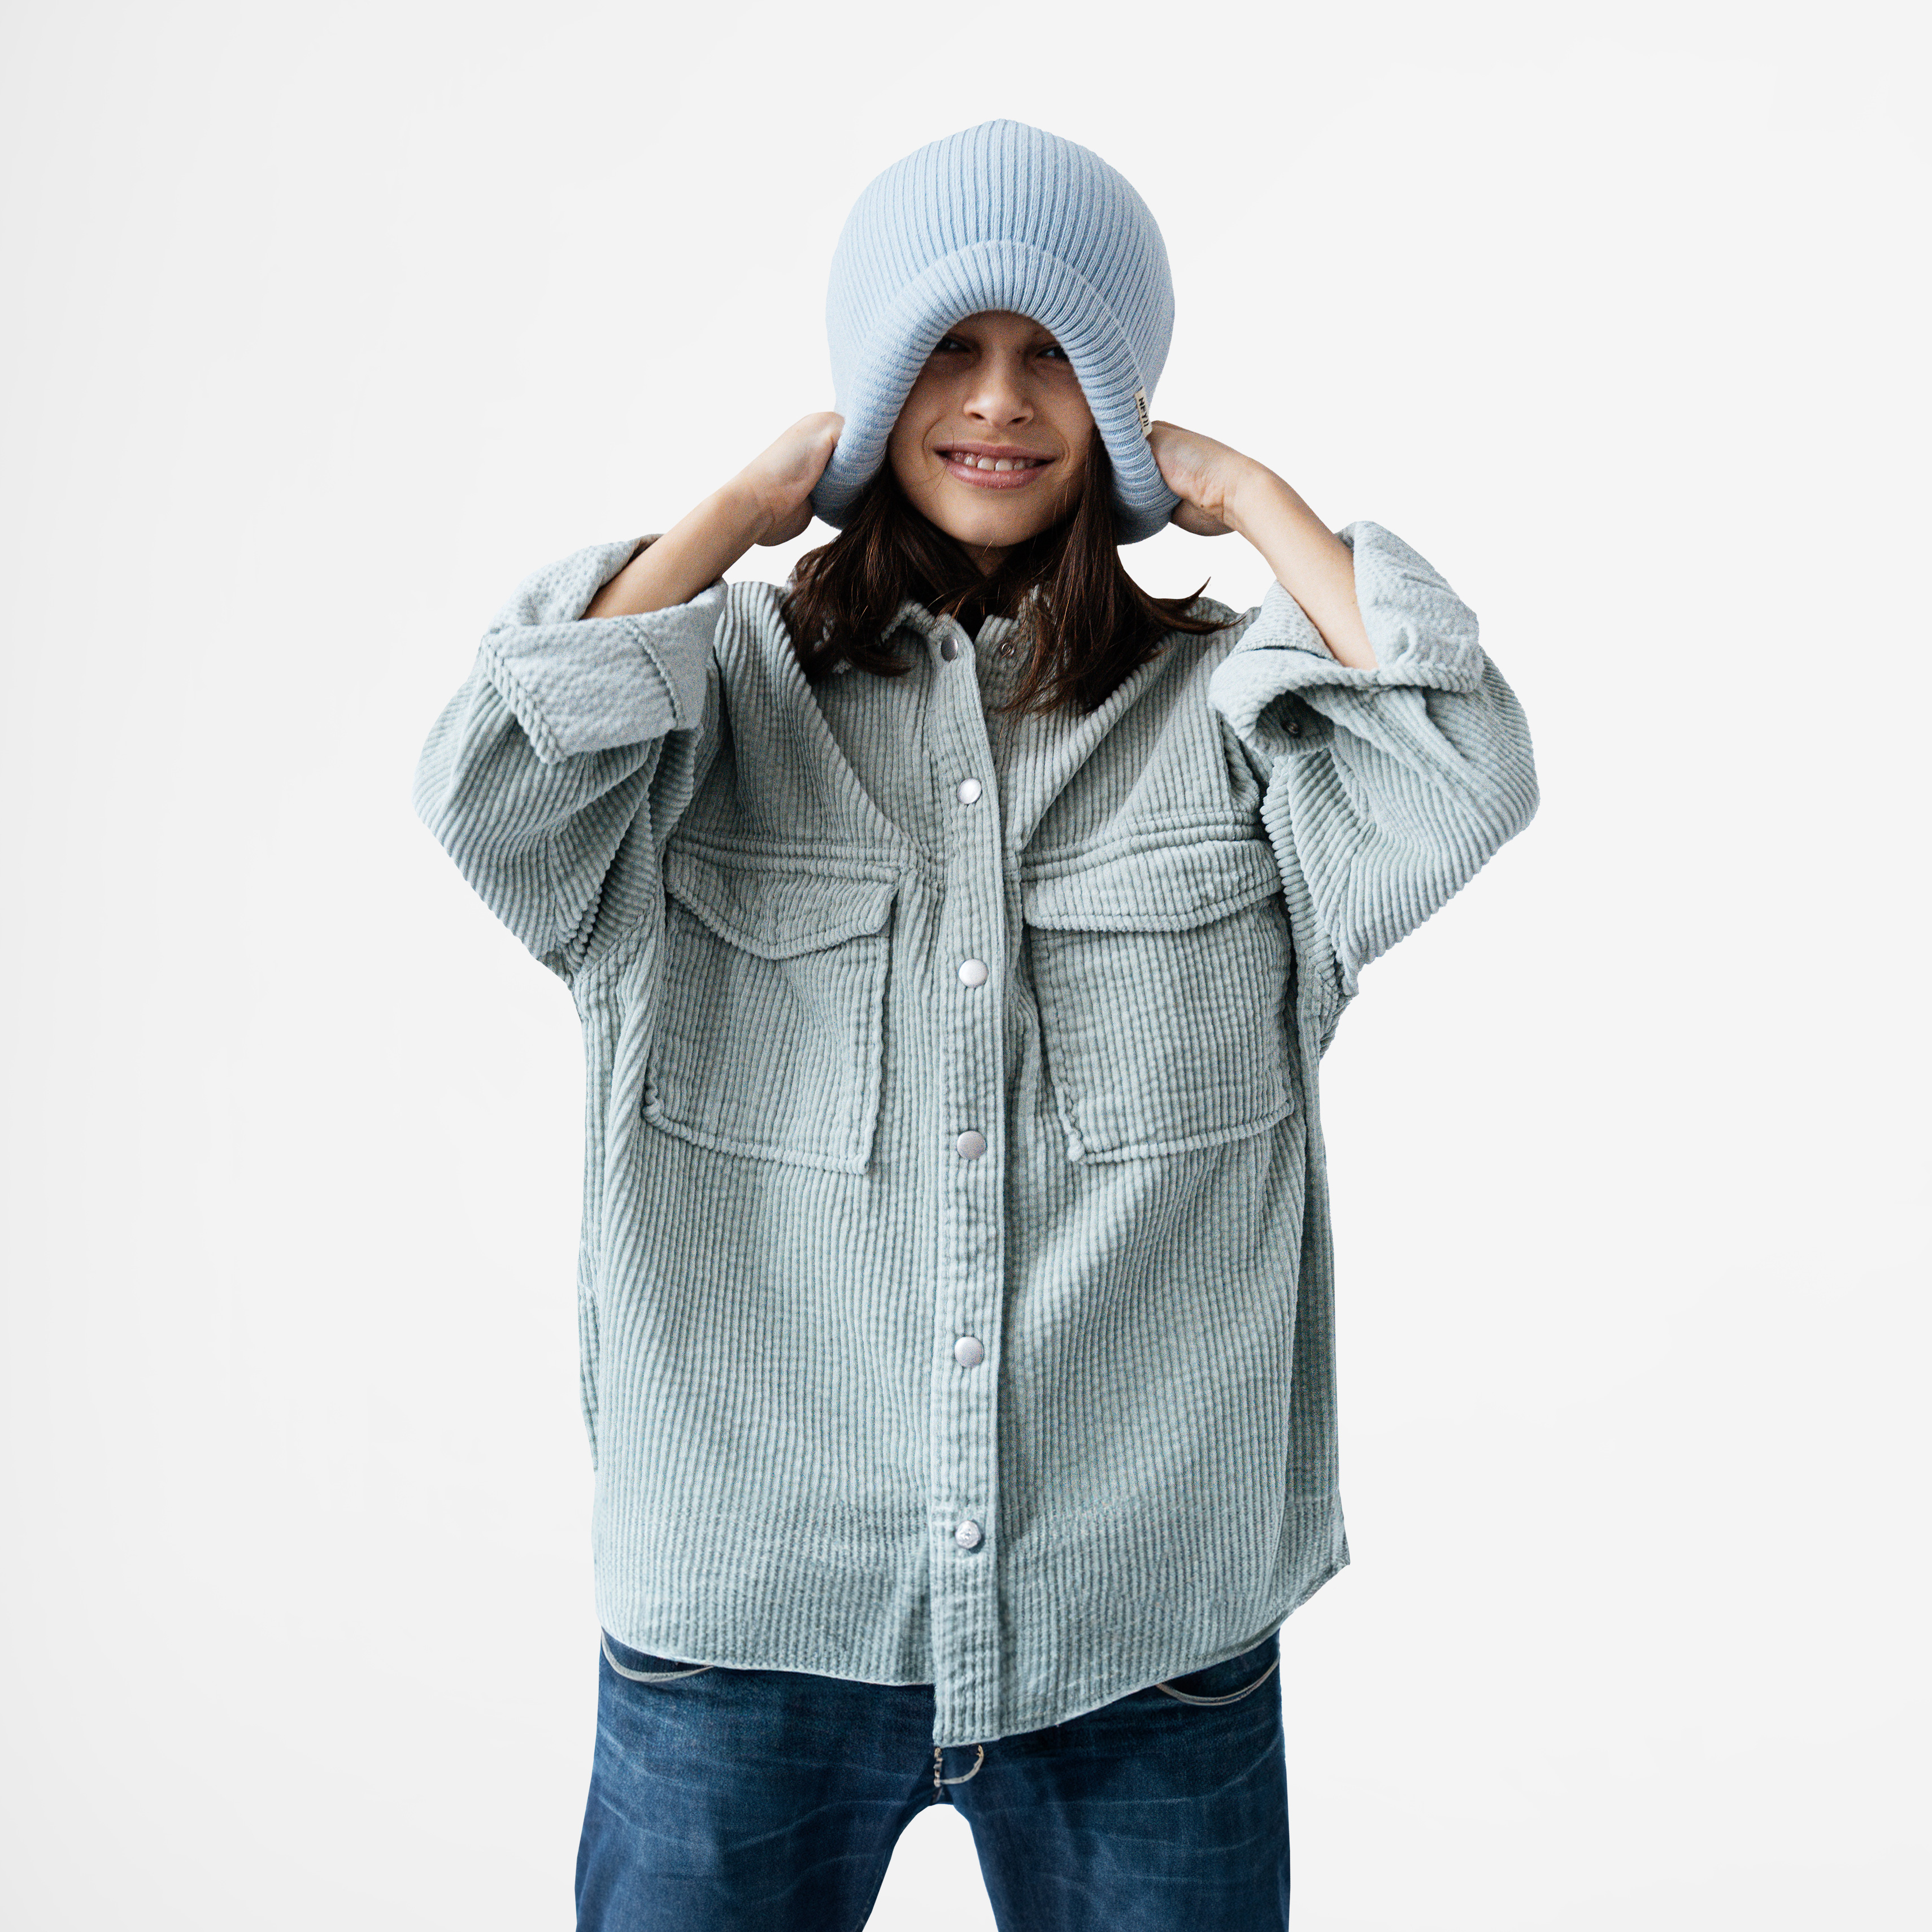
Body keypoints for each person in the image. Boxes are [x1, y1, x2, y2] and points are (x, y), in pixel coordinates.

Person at [412, 118, 1537, 1932]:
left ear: (1119, 400)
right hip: (750, 1624)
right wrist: (731, 515)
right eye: (944, 346)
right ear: (872, 386)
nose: (999, 399)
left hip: (1142, 1629)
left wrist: (1253, 495)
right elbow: (492, 782)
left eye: (1053, 354)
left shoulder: (1232, 721)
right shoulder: (705, 704)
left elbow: (1462, 767)